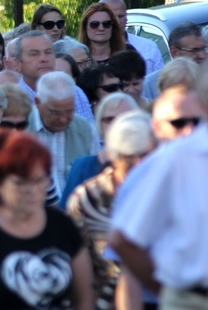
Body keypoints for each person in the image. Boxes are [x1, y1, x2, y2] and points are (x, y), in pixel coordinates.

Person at [0, 130, 93, 309]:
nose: (32, 190)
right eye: (21, 182)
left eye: (40, 180)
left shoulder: (62, 226)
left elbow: (84, 299)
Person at [109, 63, 208, 307]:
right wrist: (169, 290)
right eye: (177, 122)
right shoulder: (173, 159)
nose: (187, 128)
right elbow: (124, 242)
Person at [67, 111, 156, 310]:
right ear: (114, 157)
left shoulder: (168, 192)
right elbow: (77, 264)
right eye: (131, 157)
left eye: (147, 155)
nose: (140, 164)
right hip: (105, 302)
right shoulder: (88, 199)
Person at [59, 93, 140, 206]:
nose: (117, 124)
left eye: (125, 118)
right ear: (100, 123)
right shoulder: (83, 167)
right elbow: (66, 214)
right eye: (110, 119)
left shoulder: (150, 166)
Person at [28, 71, 98, 193]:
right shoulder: (21, 128)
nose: (64, 119)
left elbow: (96, 178)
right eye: (55, 112)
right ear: (38, 103)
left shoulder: (85, 129)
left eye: (70, 111)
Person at [99, 0, 164, 75]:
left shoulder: (149, 47)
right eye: (111, 17)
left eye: (120, 16)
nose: (117, 22)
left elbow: (160, 82)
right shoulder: (87, 53)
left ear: (126, 17)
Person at [142, 22, 207, 99]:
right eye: (194, 50)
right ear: (174, 52)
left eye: (204, 49)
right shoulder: (149, 86)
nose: (202, 55)